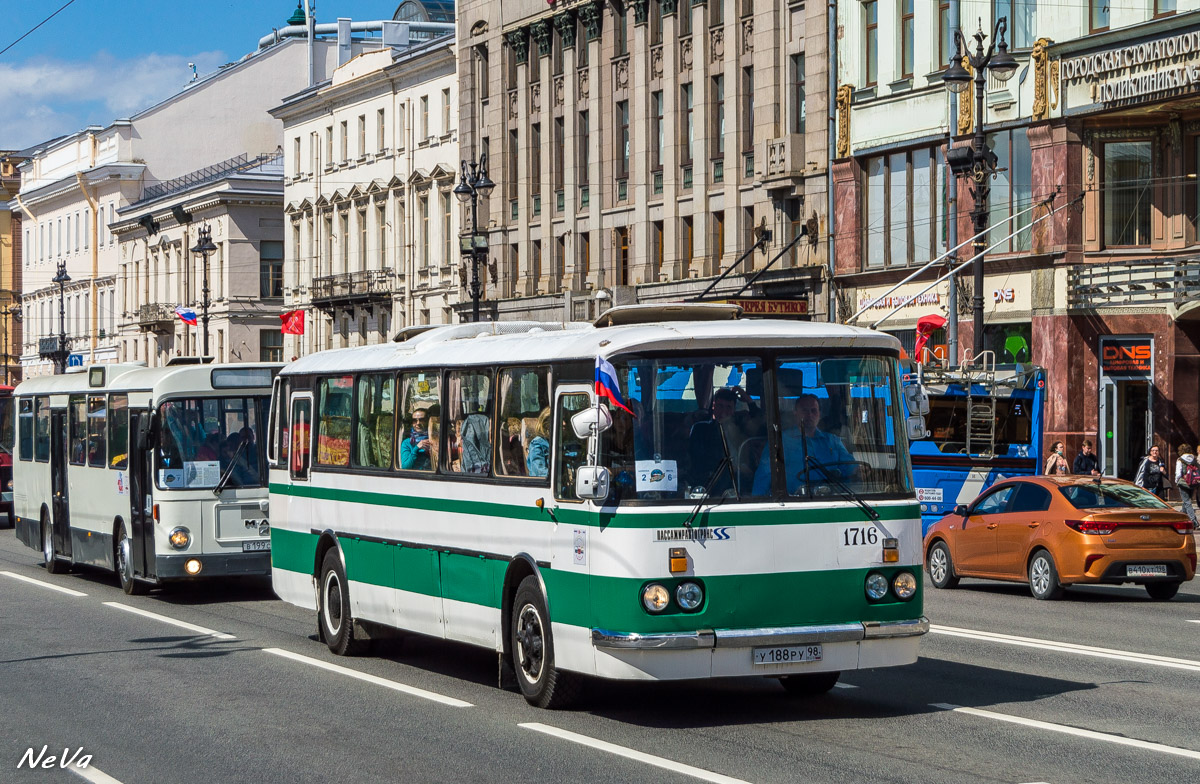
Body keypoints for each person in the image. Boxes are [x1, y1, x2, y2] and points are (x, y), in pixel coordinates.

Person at [752, 394, 856, 496]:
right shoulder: (780, 442)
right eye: (804, 410)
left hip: (833, 501)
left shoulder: (833, 441)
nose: (809, 415)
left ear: (819, 414)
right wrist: (756, 503)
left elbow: (849, 468)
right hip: (794, 504)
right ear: (795, 413)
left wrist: (861, 471)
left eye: (813, 410)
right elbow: (764, 475)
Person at [688, 387, 754, 493]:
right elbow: (699, 462)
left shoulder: (742, 428)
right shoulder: (701, 429)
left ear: (734, 410)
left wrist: (749, 401)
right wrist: (734, 468)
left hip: (743, 485)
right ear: (713, 406)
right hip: (713, 484)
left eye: (728, 407)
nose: (724, 411)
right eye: (720, 406)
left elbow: (764, 428)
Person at [1174, 445, 1200, 529]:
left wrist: (1176, 481)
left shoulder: (1180, 460)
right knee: (1186, 501)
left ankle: (1194, 521)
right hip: (1193, 483)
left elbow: (1178, 473)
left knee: (1187, 502)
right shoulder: (1194, 458)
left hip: (1183, 482)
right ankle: (1182, 517)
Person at [525, 407, 552, 478]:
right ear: (546, 424)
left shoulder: (560, 443)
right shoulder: (537, 443)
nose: (564, 423)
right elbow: (539, 472)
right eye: (560, 420)